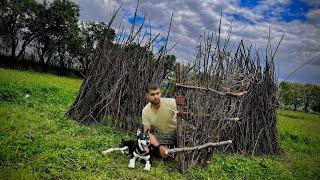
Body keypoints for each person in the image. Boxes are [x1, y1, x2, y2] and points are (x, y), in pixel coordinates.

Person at [142, 82, 184, 158]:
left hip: (178, 132)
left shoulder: (171, 102)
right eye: (152, 94)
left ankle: (179, 151)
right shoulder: (145, 111)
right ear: (147, 95)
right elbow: (147, 133)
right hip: (164, 136)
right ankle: (169, 151)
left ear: (160, 93)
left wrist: (182, 106)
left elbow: (185, 114)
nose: (156, 96)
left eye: (157, 93)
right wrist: (159, 146)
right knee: (148, 147)